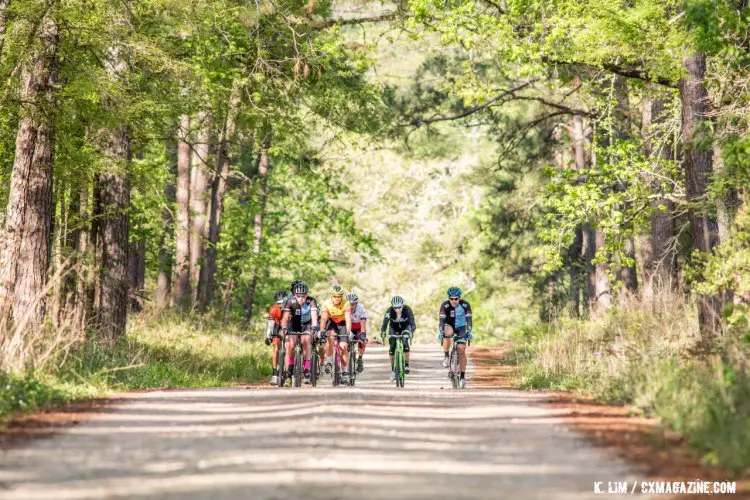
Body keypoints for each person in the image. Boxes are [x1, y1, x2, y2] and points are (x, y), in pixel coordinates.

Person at [280, 281, 319, 384]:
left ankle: (307, 369)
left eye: (304, 295)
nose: (301, 298)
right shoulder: (289, 301)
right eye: (298, 296)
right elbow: (285, 318)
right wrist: (284, 328)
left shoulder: (311, 301)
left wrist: (314, 328)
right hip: (293, 323)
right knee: (290, 345)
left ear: (307, 294)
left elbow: (314, 317)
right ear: (294, 295)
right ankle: (289, 370)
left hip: (306, 324)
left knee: (306, 340)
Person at [438, 286, 473, 388]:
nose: (454, 301)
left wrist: (469, 330)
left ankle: (462, 377)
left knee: (461, 349)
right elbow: (441, 321)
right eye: (451, 299)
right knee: (447, 333)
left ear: (459, 298)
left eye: (456, 298)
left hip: (461, 327)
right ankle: (446, 356)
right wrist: (441, 331)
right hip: (449, 326)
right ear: (448, 298)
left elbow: (469, 319)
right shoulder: (444, 305)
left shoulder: (465, 305)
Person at [319, 285, 353, 382]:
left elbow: (348, 319)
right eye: (335, 296)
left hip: (342, 324)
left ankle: (345, 372)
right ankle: (329, 361)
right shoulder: (327, 304)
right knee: (330, 335)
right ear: (331, 296)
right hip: (332, 322)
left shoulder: (346, 303)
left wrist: (349, 332)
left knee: (344, 346)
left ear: (342, 296)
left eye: (339, 296)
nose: (337, 299)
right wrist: (321, 331)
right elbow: (324, 319)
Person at [380, 295, 416, 381]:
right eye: (395, 307)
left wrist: (411, 332)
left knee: (405, 342)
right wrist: (383, 332)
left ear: (402, 305)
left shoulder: (407, 309)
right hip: (393, 328)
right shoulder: (389, 311)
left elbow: (412, 323)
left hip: (405, 328)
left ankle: (406, 365)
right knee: (392, 347)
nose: (397, 309)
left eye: (399, 307)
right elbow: (385, 323)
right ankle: (393, 369)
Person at [265, 290, 288, 385]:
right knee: (275, 347)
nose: (280, 305)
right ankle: (274, 374)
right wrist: (268, 336)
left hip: (288, 324)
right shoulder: (273, 309)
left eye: (282, 303)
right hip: (277, 325)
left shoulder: (290, 306)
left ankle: (289, 371)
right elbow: (270, 325)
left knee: (290, 345)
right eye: (278, 303)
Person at [347, 292, 369, 373]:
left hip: (359, 328)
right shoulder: (345, 309)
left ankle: (360, 359)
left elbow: (363, 324)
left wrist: (362, 336)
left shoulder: (361, 309)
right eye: (350, 304)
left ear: (357, 303)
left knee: (361, 342)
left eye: (353, 304)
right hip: (349, 328)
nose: (351, 306)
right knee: (345, 342)